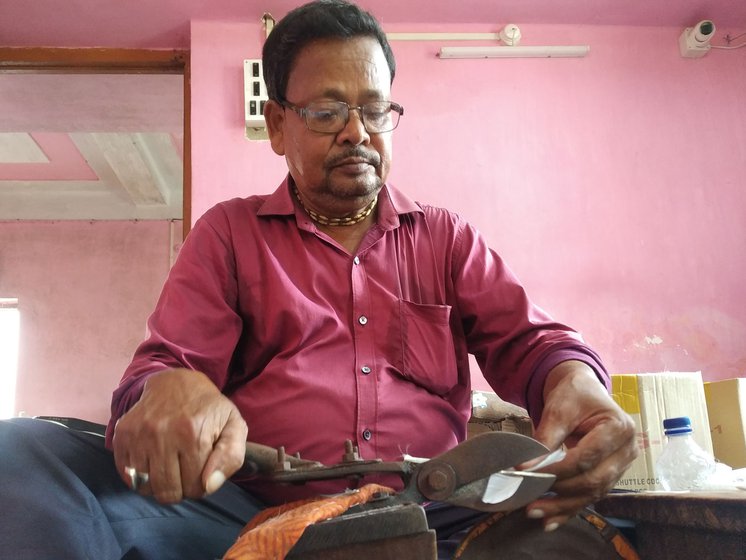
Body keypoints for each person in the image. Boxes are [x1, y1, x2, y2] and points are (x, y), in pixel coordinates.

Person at [0, 1, 637, 558]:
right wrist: (166, 389)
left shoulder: (446, 237)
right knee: (22, 452)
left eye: (374, 109)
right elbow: (165, 370)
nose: (357, 132)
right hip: (248, 516)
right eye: (328, 111)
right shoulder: (229, 233)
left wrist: (573, 380)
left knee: (610, 524)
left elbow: (533, 342)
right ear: (278, 125)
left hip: (435, 513)